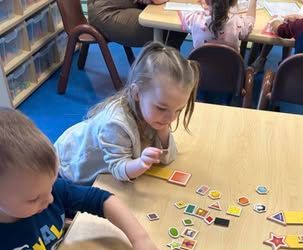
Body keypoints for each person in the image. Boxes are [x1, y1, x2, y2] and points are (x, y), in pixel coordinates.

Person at [0, 108, 162, 250]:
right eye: (34, 198)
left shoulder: (44, 190)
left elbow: (103, 199)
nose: (50, 199)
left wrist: (140, 239)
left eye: (52, 185)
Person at [55, 42, 199, 185]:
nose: (170, 118)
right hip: (69, 167)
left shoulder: (154, 114)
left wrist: (163, 131)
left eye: (178, 110)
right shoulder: (115, 124)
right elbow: (119, 169)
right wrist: (141, 163)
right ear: (136, 93)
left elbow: (169, 157)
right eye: (162, 108)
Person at [87, 0, 187, 50]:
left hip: (128, 5)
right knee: (169, 28)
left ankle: (170, 72)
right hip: (107, 11)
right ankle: (165, 75)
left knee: (182, 22)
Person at [179, 0, 257, 51]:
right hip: (230, 74)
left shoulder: (194, 18)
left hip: (200, 74)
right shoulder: (237, 23)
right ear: (234, 2)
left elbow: (182, 15)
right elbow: (250, 21)